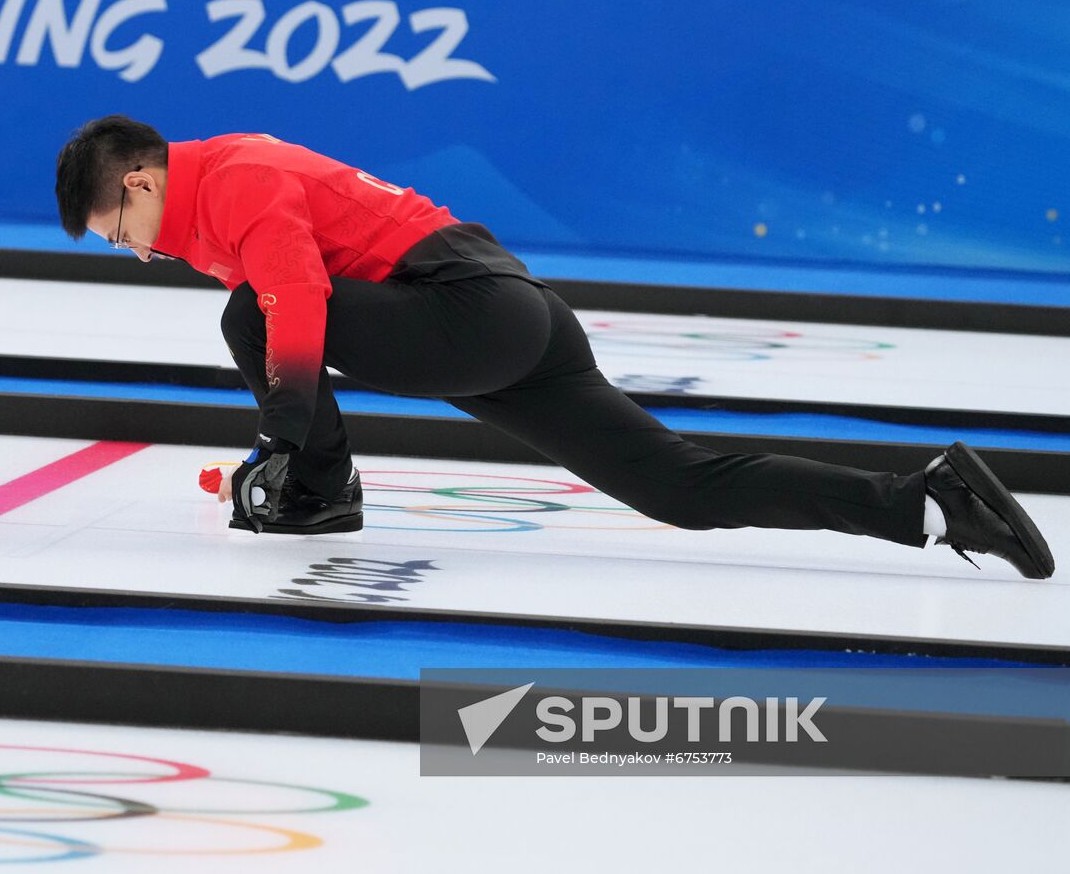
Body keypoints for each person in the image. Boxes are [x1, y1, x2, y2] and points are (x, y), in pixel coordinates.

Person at [54, 115, 1055, 580]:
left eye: (116, 233)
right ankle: (926, 503)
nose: (131, 254)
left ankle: (322, 491)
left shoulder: (233, 177)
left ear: (139, 183)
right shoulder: (210, 204)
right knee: (676, 485)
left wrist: (280, 440)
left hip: (470, 310)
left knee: (253, 314)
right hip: (509, 310)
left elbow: (299, 300)